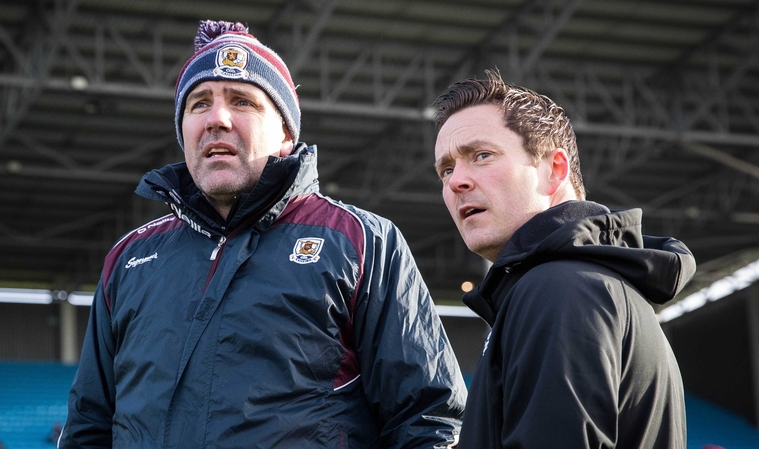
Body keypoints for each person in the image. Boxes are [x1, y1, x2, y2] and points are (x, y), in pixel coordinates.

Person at [59, 20, 466, 448]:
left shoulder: (362, 241)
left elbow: (428, 419)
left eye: (242, 101)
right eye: (199, 104)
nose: (217, 118)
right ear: (183, 133)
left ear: (287, 134)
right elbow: (88, 426)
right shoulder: (130, 259)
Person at [432, 69, 695, 448]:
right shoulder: (586, 282)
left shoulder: (560, 288)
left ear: (554, 170)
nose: (456, 181)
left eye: (482, 155)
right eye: (446, 169)